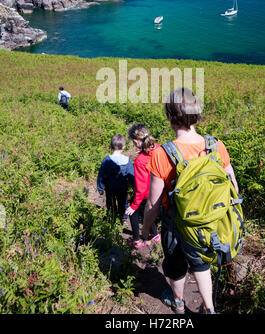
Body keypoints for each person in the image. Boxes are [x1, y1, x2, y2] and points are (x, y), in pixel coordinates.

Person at [142, 88, 239, 314]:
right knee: (200, 263)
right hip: (210, 223)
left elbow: (153, 203)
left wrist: (147, 227)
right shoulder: (216, 146)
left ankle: (178, 302)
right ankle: (209, 307)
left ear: (170, 116)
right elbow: (232, 186)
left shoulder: (162, 154)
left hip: (176, 224)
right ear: (197, 114)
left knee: (175, 267)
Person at [125, 124, 161, 249]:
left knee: (133, 212)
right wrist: (143, 150)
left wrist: (133, 206)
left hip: (147, 193)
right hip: (161, 191)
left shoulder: (140, 161)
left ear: (136, 141)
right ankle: (155, 235)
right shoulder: (159, 148)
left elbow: (140, 189)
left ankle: (136, 240)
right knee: (148, 212)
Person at [97, 134, 134, 222]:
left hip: (110, 187)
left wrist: (100, 188)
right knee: (123, 203)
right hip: (122, 187)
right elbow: (131, 175)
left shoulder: (106, 159)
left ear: (110, 146)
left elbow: (101, 175)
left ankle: (111, 218)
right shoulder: (127, 160)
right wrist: (135, 187)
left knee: (110, 203)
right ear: (124, 147)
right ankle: (123, 218)